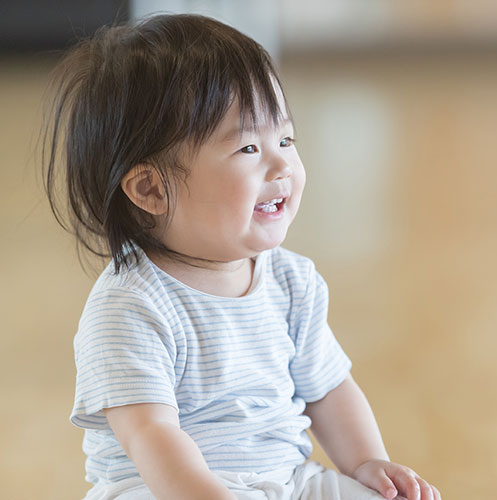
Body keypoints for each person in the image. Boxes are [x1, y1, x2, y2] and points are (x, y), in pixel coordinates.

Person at [41, 14, 441, 500]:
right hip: (169, 488)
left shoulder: (293, 282)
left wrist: (366, 462)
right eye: (249, 146)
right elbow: (150, 434)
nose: (282, 165)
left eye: (287, 140)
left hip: (290, 480)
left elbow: (330, 391)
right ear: (149, 189)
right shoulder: (129, 308)